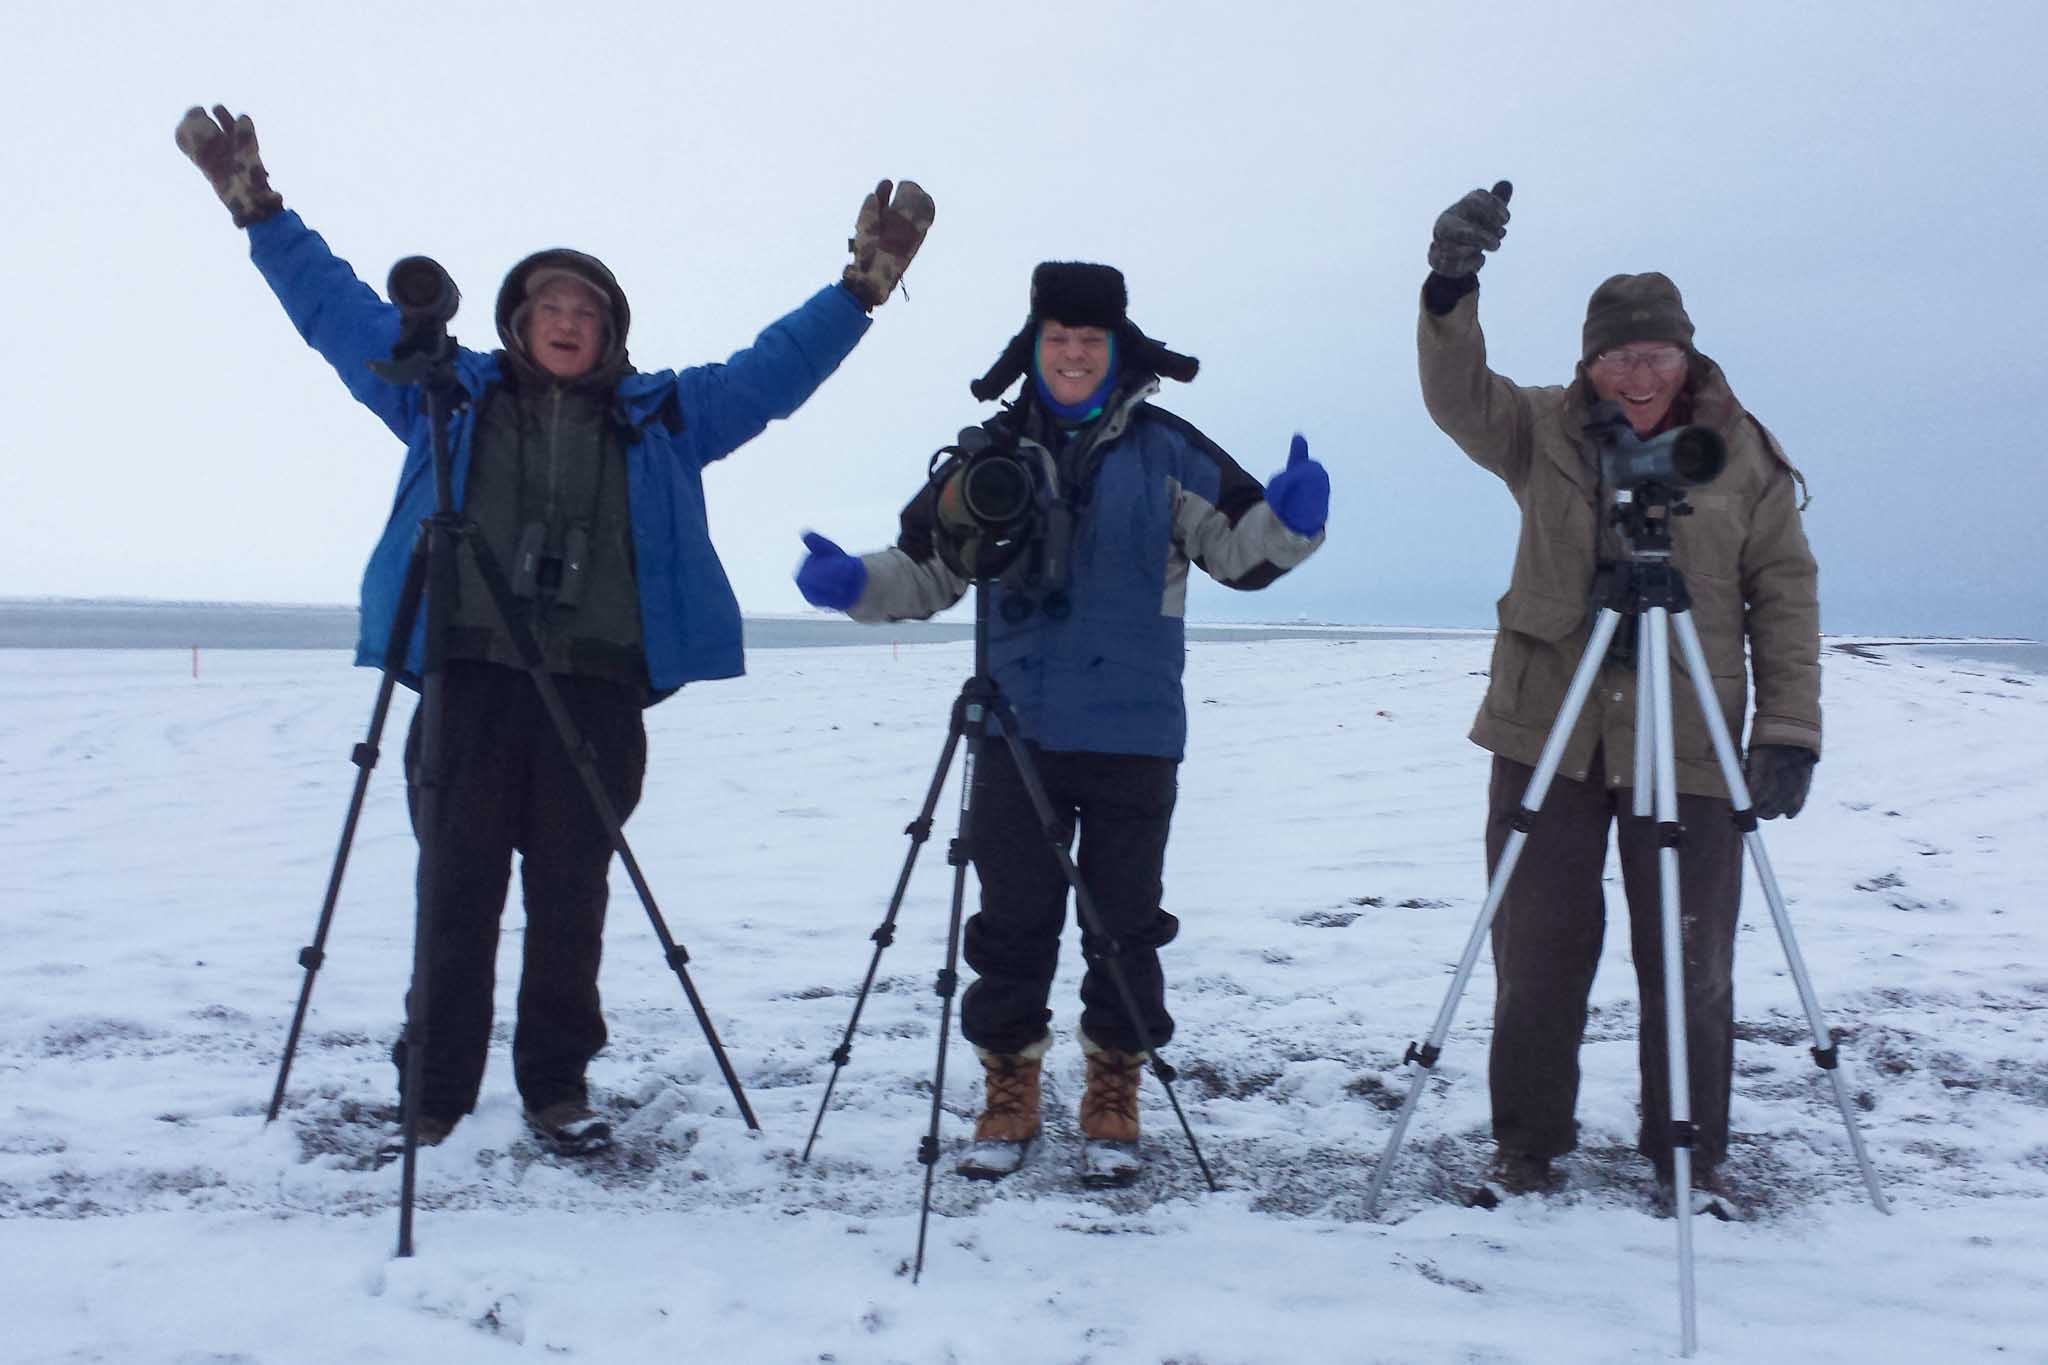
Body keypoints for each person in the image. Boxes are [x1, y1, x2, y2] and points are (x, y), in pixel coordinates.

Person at [175, 104, 933, 1155]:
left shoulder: (668, 413)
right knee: (455, 893)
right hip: (469, 678)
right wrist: (258, 210)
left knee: (571, 902)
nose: (566, 319)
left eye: (585, 307)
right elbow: (338, 316)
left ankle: (556, 1086)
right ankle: (434, 1087)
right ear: (517, 322)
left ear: (610, 327)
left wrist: (859, 292)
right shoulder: (443, 394)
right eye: (546, 305)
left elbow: (774, 368)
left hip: (596, 685)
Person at [795, 262, 1328, 1183]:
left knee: (1123, 926)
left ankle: (1112, 1086)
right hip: (1017, 731)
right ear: (1033, 350)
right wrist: (855, 584)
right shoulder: (987, 458)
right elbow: (925, 570)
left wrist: (1291, 519)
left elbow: (1241, 554)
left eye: (1091, 339)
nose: (1075, 353)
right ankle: (1011, 1087)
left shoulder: (1169, 451)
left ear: (1117, 351)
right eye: (1059, 338)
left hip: (1135, 732)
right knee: (1012, 924)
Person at [1417, 182, 1821, 1203]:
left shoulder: (1742, 456)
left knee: (1689, 957)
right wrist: (1448, 284)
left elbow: (1782, 589)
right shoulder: (1540, 428)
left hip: (1687, 731)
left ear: (1685, 357)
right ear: (1587, 361)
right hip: (1545, 723)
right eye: (1616, 356)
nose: (1635, 375)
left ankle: (1687, 1151)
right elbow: (1456, 396)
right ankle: (1526, 1147)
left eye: (1654, 356)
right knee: (1535, 947)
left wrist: (1786, 730)